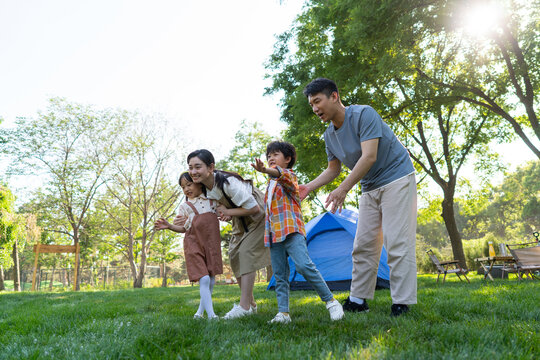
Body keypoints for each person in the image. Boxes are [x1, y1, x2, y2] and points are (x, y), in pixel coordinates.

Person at [300, 78, 417, 317]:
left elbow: (369, 156)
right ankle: (358, 300)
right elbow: (333, 169)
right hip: (369, 186)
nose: (314, 109)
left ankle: (401, 301)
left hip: (397, 178)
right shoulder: (329, 136)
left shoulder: (364, 114)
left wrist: (342, 189)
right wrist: (308, 187)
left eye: (317, 101)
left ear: (334, 96)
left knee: (396, 241)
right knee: (363, 244)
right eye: (311, 104)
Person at [251, 141, 344, 323]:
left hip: (292, 230)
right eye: (268, 155)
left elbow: (280, 174)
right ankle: (283, 313)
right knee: (279, 274)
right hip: (274, 234)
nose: (270, 158)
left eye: (275, 154)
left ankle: (331, 302)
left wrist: (265, 170)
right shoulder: (269, 186)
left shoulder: (289, 176)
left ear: (287, 159)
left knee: (303, 265)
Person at [176, 149, 271, 319]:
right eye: (190, 167)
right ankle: (251, 305)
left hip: (258, 214)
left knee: (246, 253)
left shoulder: (227, 182)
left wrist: (229, 211)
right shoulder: (205, 187)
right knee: (234, 254)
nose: (193, 172)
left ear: (210, 167)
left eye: (198, 167)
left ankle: (244, 307)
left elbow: (253, 208)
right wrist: (226, 213)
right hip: (241, 219)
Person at [155, 172, 223, 319]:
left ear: (199, 182)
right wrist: (169, 226)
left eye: (189, 184)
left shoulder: (213, 201)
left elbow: (224, 214)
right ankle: (212, 316)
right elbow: (183, 229)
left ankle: (199, 313)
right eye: (183, 187)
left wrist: (227, 215)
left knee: (211, 278)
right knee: (204, 279)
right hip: (193, 244)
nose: (186, 189)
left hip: (211, 244)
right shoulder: (185, 207)